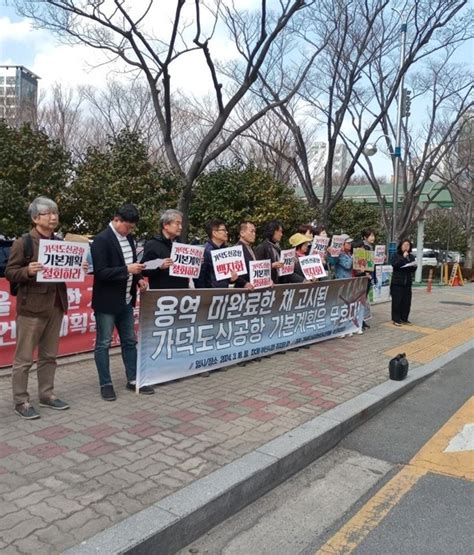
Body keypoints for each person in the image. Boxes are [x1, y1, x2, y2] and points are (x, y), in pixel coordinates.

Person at [5, 197, 84, 419]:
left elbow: (65, 271)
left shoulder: (59, 242)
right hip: (32, 307)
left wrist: (79, 266)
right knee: (24, 359)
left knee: (49, 355)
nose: (53, 217)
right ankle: (21, 400)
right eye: (48, 213)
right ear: (35, 217)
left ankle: (46, 395)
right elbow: (10, 272)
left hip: (56, 305)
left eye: (55, 213)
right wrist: (27, 271)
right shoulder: (24, 242)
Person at [91, 204, 154, 401]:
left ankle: (133, 379)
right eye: (127, 226)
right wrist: (127, 269)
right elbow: (100, 272)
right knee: (103, 343)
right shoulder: (102, 240)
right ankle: (106, 383)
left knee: (129, 341)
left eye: (132, 228)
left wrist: (139, 279)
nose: (129, 230)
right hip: (107, 302)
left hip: (126, 300)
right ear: (116, 220)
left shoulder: (129, 239)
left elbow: (134, 267)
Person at [142, 209, 189, 289]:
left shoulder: (181, 245)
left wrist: (196, 261)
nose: (180, 227)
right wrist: (159, 266)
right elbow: (144, 269)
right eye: (177, 224)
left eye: (181, 224)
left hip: (182, 293)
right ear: (165, 225)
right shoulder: (153, 244)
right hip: (162, 295)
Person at [195, 219, 238, 288]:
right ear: (214, 233)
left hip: (222, 294)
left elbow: (224, 276)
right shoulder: (205, 251)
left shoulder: (225, 251)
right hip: (210, 295)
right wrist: (203, 294)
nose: (226, 232)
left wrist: (232, 279)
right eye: (223, 230)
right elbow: (200, 277)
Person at [352, 228, 376, 330]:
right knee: (358, 301)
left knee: (363, 300)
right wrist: (363, 272)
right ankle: (358, 322)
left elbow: (369, 265)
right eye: (370, 235)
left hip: (367, 278)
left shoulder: (370, 248)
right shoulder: (359, 252)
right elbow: (356, 268)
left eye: (373, 235)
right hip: (359, 280)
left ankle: (362, 320)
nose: (373, 238)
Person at [390, 239, 417, 326]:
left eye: (408, 245)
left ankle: (404, 318)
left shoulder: (411, 256)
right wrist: (404, 258)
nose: (406, 247)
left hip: (407, 282)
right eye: (404, 245)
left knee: (406, 302)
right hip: (397, 282)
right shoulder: (396, 255)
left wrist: (413, 265)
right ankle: (396, 319)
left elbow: (413, 269)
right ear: (401, 246)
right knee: (397, 302)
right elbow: (395, 264)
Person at [234, 221, 258, 289]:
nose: (254, 234)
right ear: (242, 233)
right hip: (242, 292)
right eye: (252, 231)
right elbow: (233, 274)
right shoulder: (235, 250)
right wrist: (244, 283)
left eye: (255, 232)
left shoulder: (252, 249)